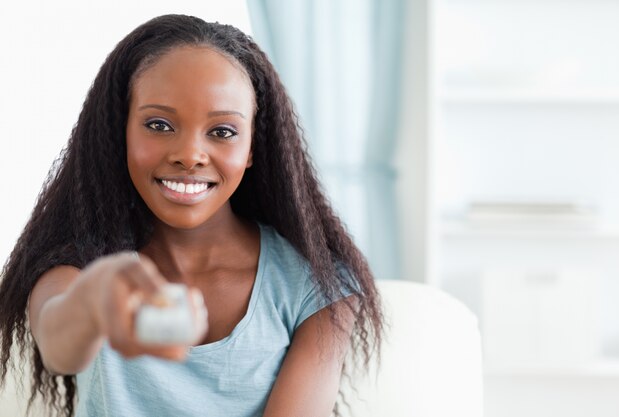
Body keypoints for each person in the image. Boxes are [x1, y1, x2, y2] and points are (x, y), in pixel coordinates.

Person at [0, 14, 383, 417]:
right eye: (159, 124)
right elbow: (59, 345)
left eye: (222, 131)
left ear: (253, 146)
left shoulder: (318, 285)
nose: (189, 154)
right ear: (121, 133)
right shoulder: (78, 268)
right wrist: (95, 298)